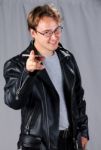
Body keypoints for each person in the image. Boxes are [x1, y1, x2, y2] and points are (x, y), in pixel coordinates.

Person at [3, 4, 89, 150]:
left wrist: (83, 131)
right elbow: (13, 101)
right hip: (39, 145)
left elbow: (78, 97)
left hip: (70, 142)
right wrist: (28, 73)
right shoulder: (17, 64)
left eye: (57, 30)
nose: (54, 37)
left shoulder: (67, 58)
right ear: (33, 33)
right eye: (47, 32)